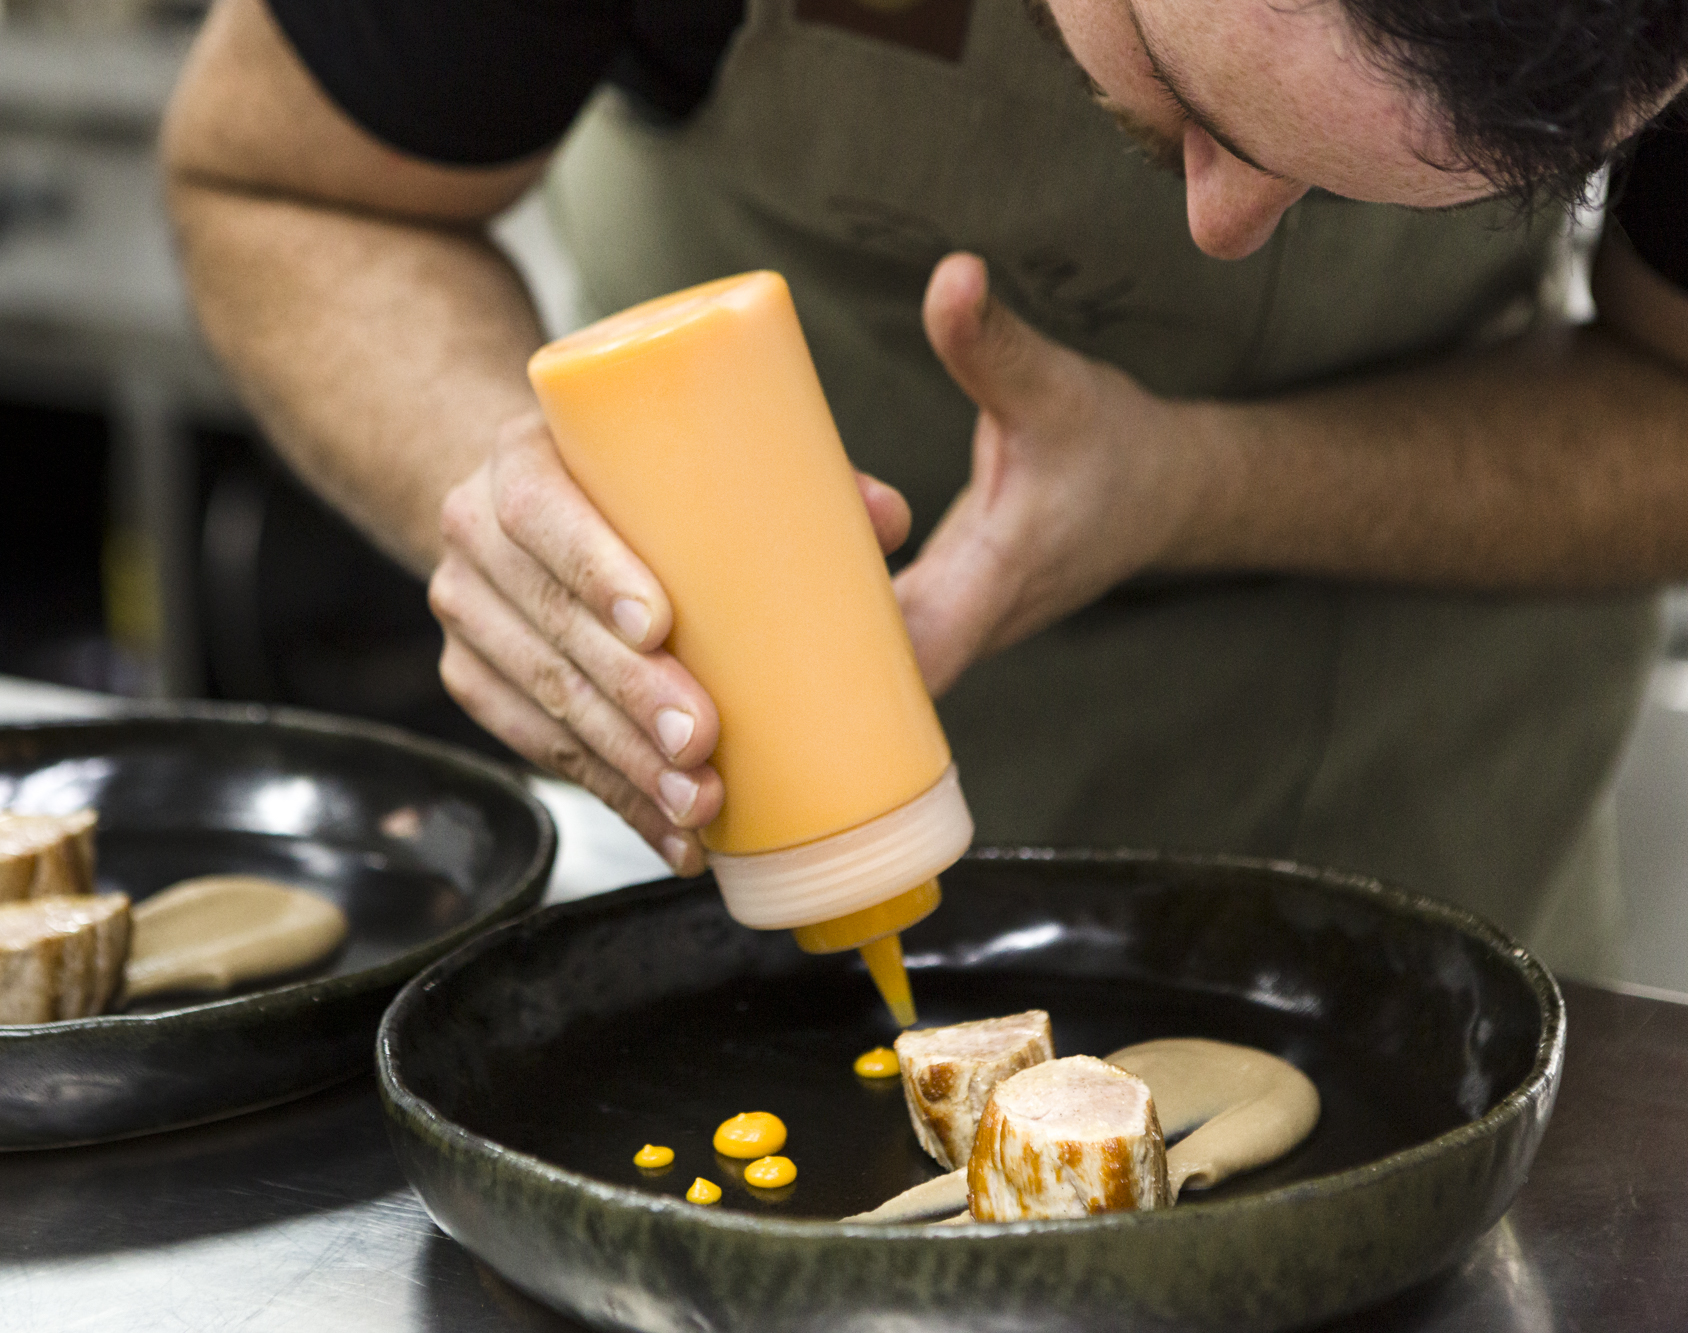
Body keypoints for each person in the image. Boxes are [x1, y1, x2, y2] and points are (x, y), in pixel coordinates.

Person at [162, 0, 1688, 980]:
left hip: (1426, 846)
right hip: (741, 880)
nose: (1225, 229)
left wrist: (1203, 481)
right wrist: (516, 519)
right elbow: (279, 184)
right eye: (1184, 91)